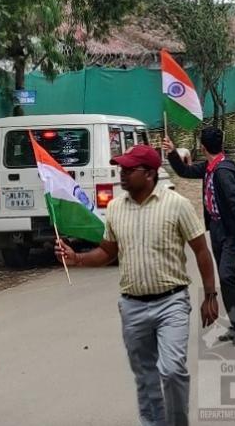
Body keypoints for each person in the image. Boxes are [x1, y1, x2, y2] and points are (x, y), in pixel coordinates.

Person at [55, 144, 219, 426]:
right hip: (133, 307)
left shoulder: (176, 204)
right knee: (145, 377)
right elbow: (107, 252)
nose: (123, 174)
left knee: (171, 370)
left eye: (130, 170)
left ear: (150, 174)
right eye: (122, 169)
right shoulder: (116, 207)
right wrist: (77, 257)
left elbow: (201, 251)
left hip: (172, 303)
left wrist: (210, 294)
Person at [164, 127, 235, 346]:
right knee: (226, 278)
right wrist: (172, 152)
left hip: (231, 232)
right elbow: (185, 172)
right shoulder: (209, 167)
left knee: (226, 275)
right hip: (216, 229)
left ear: (202, 147)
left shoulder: (222, 171)